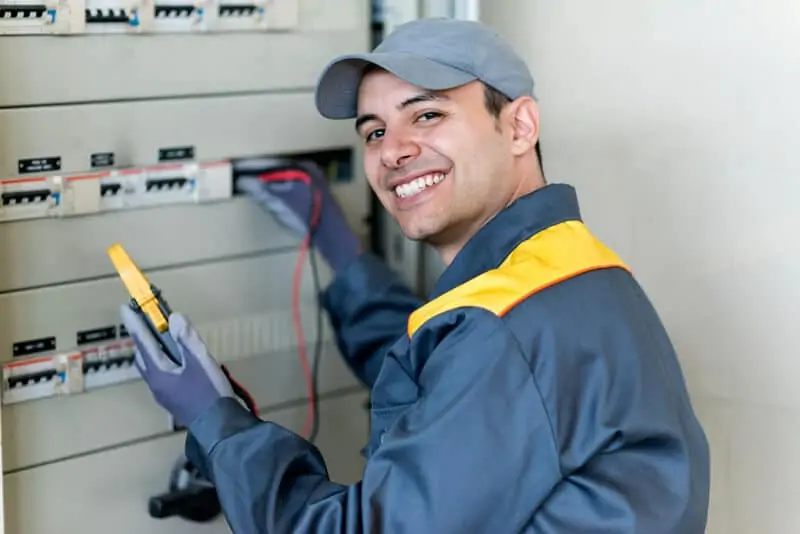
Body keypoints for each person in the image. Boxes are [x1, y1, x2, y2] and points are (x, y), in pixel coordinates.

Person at [120, 17, 711, 533]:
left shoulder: (504, 332)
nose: (393, 152)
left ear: (520, 126)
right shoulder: (565, 267)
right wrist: (344, 256)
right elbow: (440, 381)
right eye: (374, 131)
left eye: (426, 114)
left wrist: (217, 424)